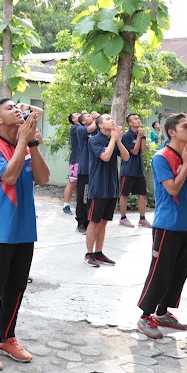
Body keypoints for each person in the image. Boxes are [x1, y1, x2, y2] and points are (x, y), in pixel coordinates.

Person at [0, 98, 49, 371]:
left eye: (17, 107)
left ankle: (6, 337)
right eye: (9, 108)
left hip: (24, 229)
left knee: (17, 287)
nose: (17, 109)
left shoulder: (27, 146)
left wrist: (32, 144)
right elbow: (9, 177)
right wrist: (22, 143)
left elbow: (42, 178)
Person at [136, 113, 187, 339]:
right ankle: (145, 315)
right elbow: (172, 188)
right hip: (167, 225)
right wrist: (185, 164)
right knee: (161, 271)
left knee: (179, 271)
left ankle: (162, 312)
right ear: (172, 131)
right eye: (185, 126)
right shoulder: (161, 157)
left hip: (184, 224)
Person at [84, 114, 129, 268]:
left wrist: (117, 140)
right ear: (101, 125)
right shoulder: (94, 139)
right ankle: (89, 254)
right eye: (108, 119)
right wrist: (112, 140)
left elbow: (126, 157)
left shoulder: (113, 139)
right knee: (94, 221)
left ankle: (99, 252)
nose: (112, 120)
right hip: (98, 187)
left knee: (103, 223)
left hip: (112, 187)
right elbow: (105, 156)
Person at [119, 113, 152, 228]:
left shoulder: (141, 134)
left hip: (139, 170)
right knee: (124, 194)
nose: (138, 120)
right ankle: (123, 218)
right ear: (130, 123)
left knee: (143, 194)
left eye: (139, 118)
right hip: (128, 170)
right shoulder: (127, 136)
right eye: (135, 119)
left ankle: (142, 219)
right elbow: (134, 151)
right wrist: (138, 137)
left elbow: (143, 150)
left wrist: (142, 137)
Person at [74, 111, 99, 234]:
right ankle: (81, 223)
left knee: (92, 198)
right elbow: (92, 127)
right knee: (83, 198)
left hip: (96, 170)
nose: (91, 116)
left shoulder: (96, 131)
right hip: (85, 170)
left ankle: (90, 222)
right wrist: (97, 118)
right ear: (83, 121)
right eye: (88, 116)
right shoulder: (80, 129)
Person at [62, 112, 80, 215]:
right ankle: (66, 205)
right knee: (72, 182)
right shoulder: (75, 128)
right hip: (75, 160)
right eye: (77, 114)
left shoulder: (82, 127)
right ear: (73, 120)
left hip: (83, 160)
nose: (80, 114)